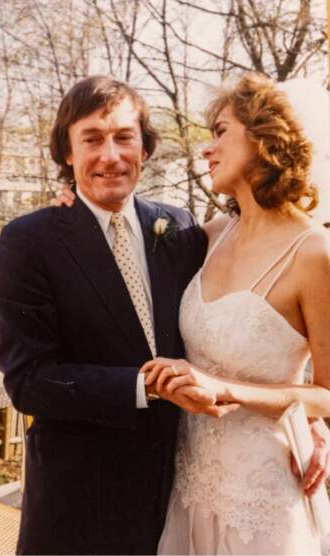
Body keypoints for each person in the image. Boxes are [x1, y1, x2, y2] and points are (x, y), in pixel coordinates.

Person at [0, 75, 216, 555]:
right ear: (68, 154)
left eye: (124, 137)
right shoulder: (29, 242)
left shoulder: (180, 227)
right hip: (80, 507)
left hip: (180, 494)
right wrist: (144, 385)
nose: (110, 155)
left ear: (145, 149)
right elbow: (28, 380)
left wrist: (306, 418)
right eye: (91, 139)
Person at [139, 73, 330, 554]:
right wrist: (72, 208)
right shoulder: (212, 235)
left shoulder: (314, 254)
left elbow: (327, 396)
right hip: (189, 490)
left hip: (264, 501)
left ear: (266, 136)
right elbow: (125, 235)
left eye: (221, 131)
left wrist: (225, 389)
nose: (207, 149)